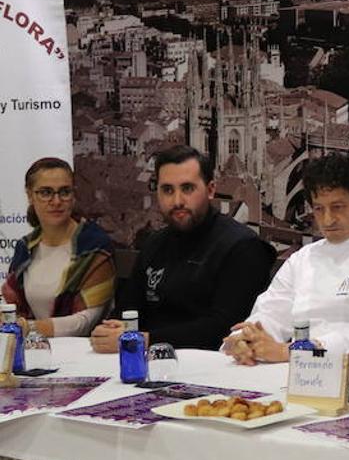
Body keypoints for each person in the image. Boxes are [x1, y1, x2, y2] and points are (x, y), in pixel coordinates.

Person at [223, 153, 349, 365]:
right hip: (290, 372)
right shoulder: (301, 259)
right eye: (319, 209)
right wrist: (246, 339)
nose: (327, 219)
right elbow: (271, 313)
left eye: (338, 207)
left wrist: (293, 351)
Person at [90, 145, 275, 352]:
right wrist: (111, 330)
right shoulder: (154, 243)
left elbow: (224, 329)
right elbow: (128, 310)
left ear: (211, 189)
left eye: (187, 188)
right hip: (148, 361)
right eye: (167, 190)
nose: (177, 201)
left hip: (214, 367)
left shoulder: (242, 247)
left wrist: (144, 340)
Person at [2, 158, 114, 337]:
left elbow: (86, 322)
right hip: (32, 350)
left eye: (64, 192)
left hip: (84, 354)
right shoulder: (25, 246)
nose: (56, 201)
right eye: (46, 192)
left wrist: (28, 328)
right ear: (30, 195)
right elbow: (9, 304)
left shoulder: (95, 246)